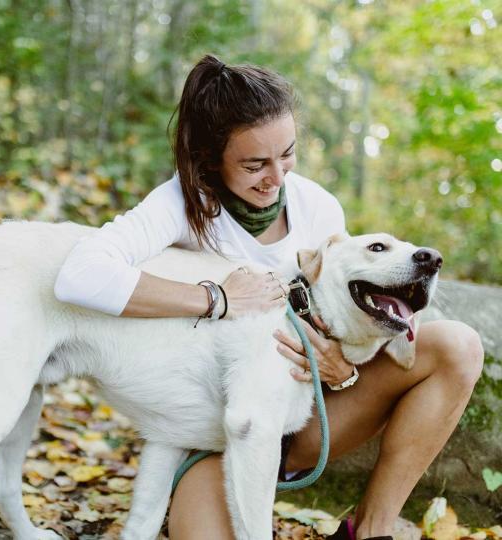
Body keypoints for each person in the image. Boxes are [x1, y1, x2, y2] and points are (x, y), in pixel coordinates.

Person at [53, 55, 484, 539]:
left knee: (459, 346)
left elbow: (345, 311)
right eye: (255, 164)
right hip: (211, 434)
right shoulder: (180, 204)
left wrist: (345, 371)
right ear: (210, 159)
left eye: (287, 155)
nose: (277, 179)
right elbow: (82, 275)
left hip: (306, 416)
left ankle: (369, 530)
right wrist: (215, 298)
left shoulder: (317, 206)